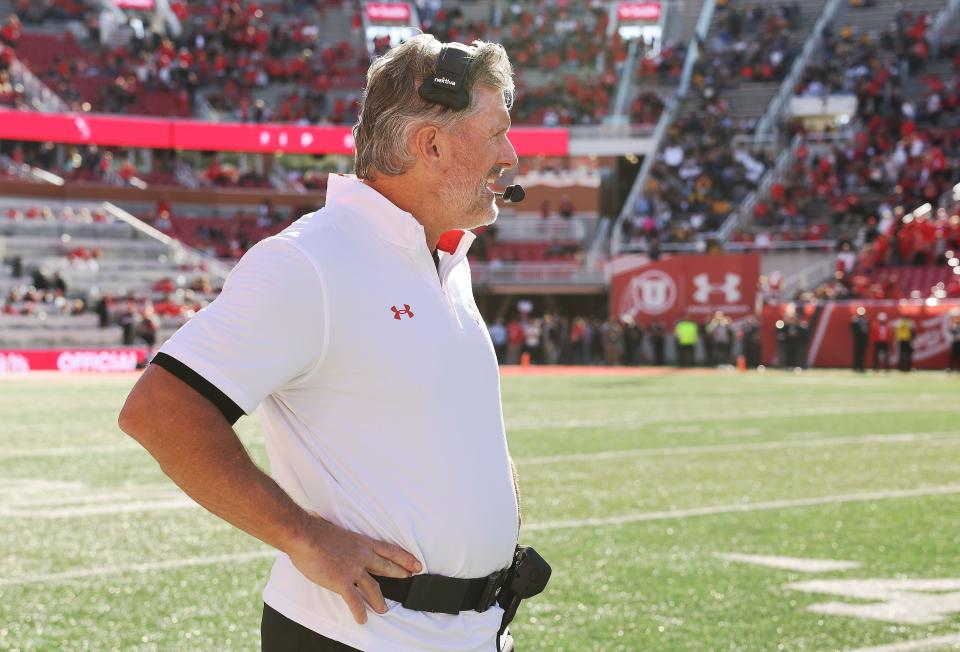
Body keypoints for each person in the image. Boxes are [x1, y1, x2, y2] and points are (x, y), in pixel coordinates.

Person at [119, 35, 534, 652]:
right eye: (497, 131)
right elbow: (159, 410)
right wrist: (303, 536)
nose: (511, 154)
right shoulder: (308, 261)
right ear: (432, 145)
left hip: (468, 632)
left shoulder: (442, 255)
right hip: (360, 635)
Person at [849, 307, 870, 373]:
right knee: (857, 354)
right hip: (858, 339)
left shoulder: (865, 320)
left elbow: (867, 330)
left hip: (863, 340)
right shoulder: (855, 320)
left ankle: (861, 367)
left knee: (862, 354)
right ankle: (855, 367)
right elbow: (852, 329)